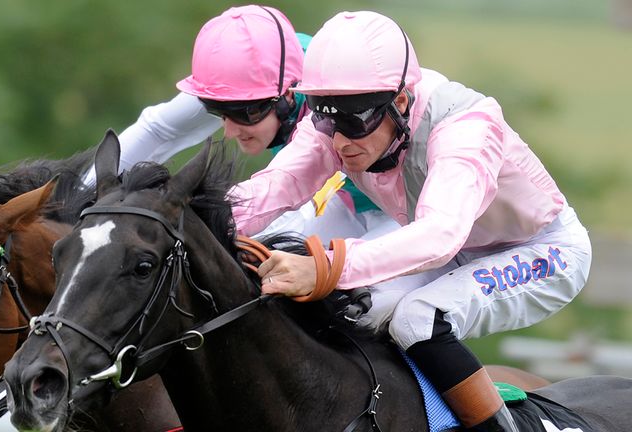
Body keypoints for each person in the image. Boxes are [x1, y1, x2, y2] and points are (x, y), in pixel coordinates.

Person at [233, 10, 592, 432]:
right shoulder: (341, 121)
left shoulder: (464, 129)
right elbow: (277, 185)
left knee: (417, 318)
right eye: (324, 117)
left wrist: (325, 266)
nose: (339, 140)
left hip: (541, 249)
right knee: (354, 312)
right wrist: (192, 216)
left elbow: (440, 235)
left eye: (354, 121)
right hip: (455, 249)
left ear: (400, 101)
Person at [101, 5, 397, 242]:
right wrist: (86, 198)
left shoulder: (326, 100)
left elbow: (286, 198)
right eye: (217, 111)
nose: (229, 131)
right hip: (343, 199)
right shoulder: (244, 76)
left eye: (243, 114)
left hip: (399, 211)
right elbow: (156, 128)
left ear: (288, 95)